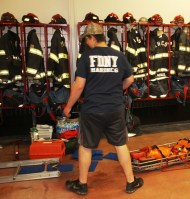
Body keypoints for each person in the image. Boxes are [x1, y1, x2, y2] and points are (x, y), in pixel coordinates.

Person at [63, 22, 143, 196]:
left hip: (92, 109)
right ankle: (131, 182)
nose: (87, 43)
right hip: (115, 109)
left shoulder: (86, 57)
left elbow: (78, 86)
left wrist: (68, 107)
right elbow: (130, 79)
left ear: (92, 38)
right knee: (121, 145)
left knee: (85, 146)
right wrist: (116, 89)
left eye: (87, 40)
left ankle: (82, 185)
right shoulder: (118, 55)